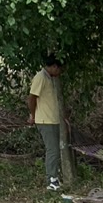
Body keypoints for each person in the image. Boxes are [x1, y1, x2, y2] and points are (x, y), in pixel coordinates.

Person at [28, 55, 64, 190]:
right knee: (53, 150)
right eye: (59, 69)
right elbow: (32, 98)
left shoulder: (50, 79)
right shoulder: (40, 77)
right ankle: (51, 180)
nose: (60, 72)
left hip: (53, 120)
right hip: (45, 120)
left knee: (56, 149)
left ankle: (55, 177)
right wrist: (33, 115)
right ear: (54, 66)